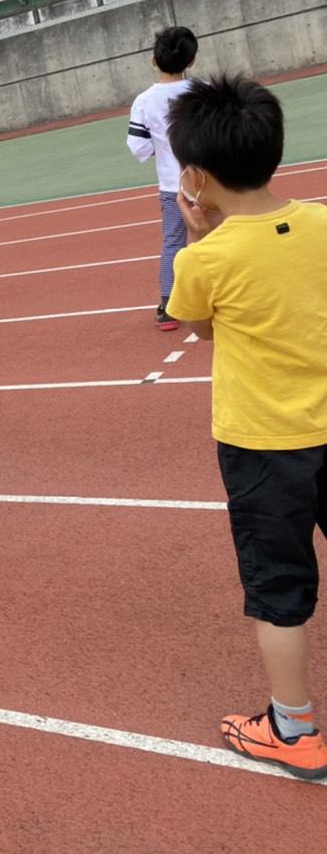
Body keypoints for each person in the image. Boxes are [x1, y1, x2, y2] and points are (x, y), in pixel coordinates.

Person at [164, 75, 327, 779]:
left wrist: (201, 237)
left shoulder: (203, 258)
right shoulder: (323, 219)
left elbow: (198, 328)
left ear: (196, 177)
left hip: (265, 446)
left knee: (279, 591)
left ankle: (294, 732)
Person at [127, 25, 198, 331]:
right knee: (226, 235)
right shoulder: (203, 91)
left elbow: (138, 146)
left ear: (153, 61)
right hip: (213, 182)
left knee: (173, 242)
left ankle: (168, 306)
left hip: (173, 186)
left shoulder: (144, 101)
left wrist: (163, 150)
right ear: (191, 61)